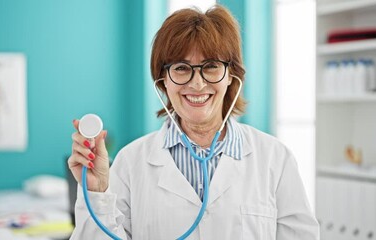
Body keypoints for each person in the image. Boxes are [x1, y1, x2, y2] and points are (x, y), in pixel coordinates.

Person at [68, 5, 319, 240]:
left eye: (210, 66)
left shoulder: (275, 159)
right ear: (163, 79)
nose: (197, 84)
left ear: (230, 76)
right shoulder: (130, 162)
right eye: (181, 68)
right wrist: (97, 192)